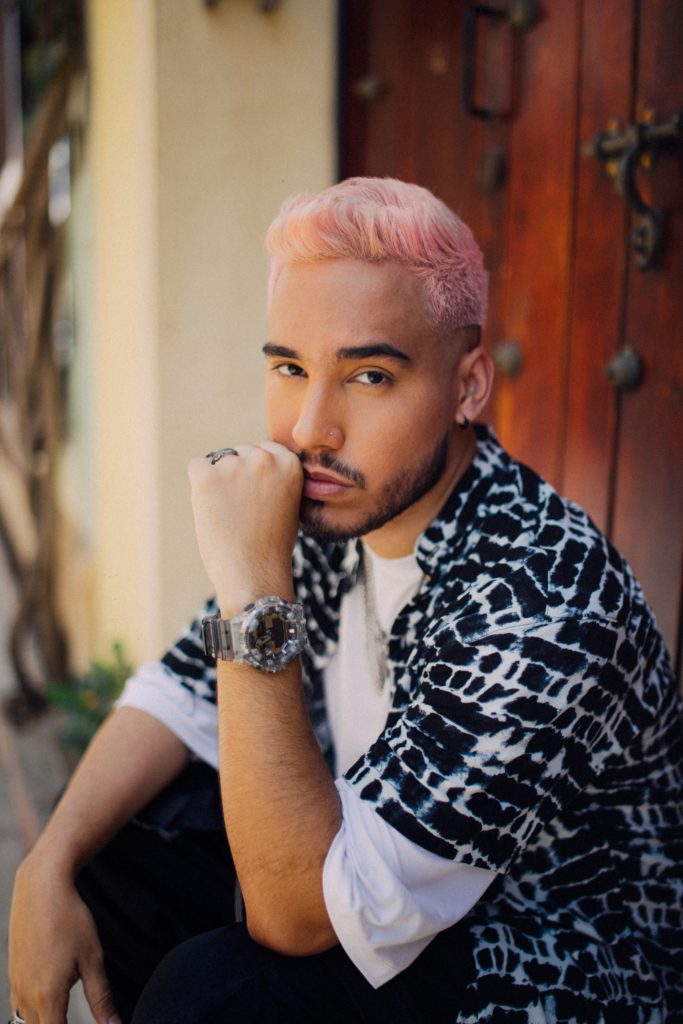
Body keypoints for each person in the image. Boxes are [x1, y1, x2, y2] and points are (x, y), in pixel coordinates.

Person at [8, 177, 683, 1024]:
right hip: (384, 873)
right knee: (120, 848)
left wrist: (253, 588)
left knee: (219, 993)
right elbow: (181, 689)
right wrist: (47, 862)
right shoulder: (339, 503)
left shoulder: (543, 600)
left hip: (543, 962)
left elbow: (294, 921)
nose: (309, 430)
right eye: (290, 368)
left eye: (368, 376)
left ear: (468, 387)